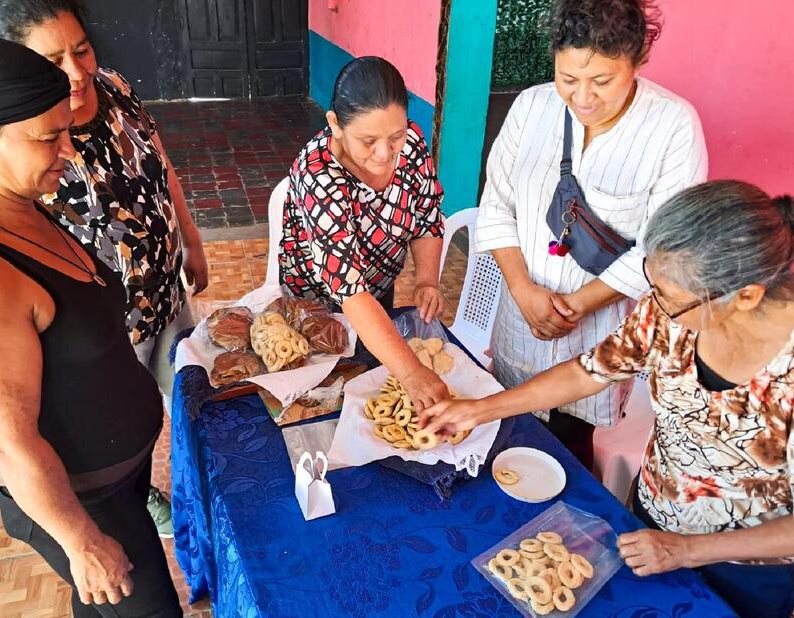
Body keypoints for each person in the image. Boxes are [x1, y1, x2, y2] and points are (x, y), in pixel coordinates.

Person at [423, 181, 794, 617]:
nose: (655, 307)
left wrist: (688, 551)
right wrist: (479, 408)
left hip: (746, 566)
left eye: (671, 300)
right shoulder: (669, 309)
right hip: (650, 518)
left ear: (746, 297)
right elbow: (590, 371)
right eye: (653, 288)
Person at [0, 0, 210, 537]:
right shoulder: (19, 137)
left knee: (191, 396)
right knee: (122, 427)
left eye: (81, 49)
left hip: (165, 292)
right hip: (106, 324)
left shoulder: (114, 88)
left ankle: (206, 486)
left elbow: (157, 158)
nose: (76, 73)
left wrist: (189, 236)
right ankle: (141, 494)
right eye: (53, 60)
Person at [475, 0, 707, 468]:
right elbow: (497, 204)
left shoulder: (673, 127)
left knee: (571, 451)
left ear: (637, 59)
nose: (583, 97)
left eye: (603, 81)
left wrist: (577, 306)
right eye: (568, 79)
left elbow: (661, 250)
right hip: (519, 316)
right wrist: (521, 288)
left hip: (599, 334)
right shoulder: (530, 108)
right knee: (503, 429)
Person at [281, 56, 449, 410]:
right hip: (316, 311)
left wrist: (427, 280)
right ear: (335, 125)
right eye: (368, 140)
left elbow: (427, 217)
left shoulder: (412, 145)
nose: (385, 153)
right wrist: (412, 372)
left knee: (375, 384)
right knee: (327, 403)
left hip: (377, 293)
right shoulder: (319, 176)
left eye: (396, 136)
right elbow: (350, 293)